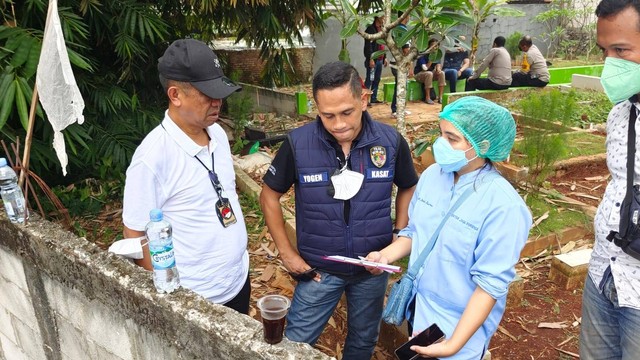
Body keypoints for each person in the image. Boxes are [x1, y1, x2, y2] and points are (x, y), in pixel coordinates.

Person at [260, 61, 418, 359]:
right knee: (295, 343)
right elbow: (269, 196)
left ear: (364, 99)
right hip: (319, 270)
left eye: (347, 112)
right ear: (316, 108)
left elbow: (408, 185)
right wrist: (287, 253)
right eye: (327, 115)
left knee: (363, 339)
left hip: (371, 268)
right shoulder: (298, 143)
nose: (338, 124)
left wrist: (399, 233)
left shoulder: (390, 142)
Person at [366, 96, 532, 359]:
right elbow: (415, 233)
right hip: (420, 310)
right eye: (441, 134)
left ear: (483, 145)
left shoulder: (503, 206)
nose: (441, 144)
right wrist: (384, 256)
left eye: (452, 139)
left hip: (460, 327)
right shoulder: (433, 176)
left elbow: (490, 285)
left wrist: (453, 344)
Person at [122, 39, 251, 314]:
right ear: (175, 95)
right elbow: (135, 234)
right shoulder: (152, 158)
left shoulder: (216, 133)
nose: (218, 102)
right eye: (208, 94)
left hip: (238, 281)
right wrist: (171, 301)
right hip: (197, 299)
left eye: (220, 92)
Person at [579, 0, 640, 358]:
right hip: (604, 272)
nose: (610, 64)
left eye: (621, 50)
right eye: (605, 51)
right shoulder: (620, 113)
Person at [390, 12, 412, 117]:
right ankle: (396, 109)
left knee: (401, 85)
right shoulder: (401, 29)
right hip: (399, 62)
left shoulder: (397, 28)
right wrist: (410, 60)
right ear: (406, 16)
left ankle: (400, 108)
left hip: (396, 61)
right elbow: (406, 49)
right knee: (401, 85)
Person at [364, 16, 388, 105]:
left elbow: (382, 45)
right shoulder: (371, 29)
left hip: (380, 59)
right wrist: (371, 59)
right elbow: (368, 46)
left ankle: (373, 98)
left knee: (376, 79)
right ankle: (364, 99)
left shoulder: (382, 29)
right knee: (370, 79)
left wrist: (385, 57)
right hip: (373, 60)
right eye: (382, 17)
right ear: (377, 17)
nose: (384, 18)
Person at [414, 38, 445, 104]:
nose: (434, 47)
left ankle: (440, 97)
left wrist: (438, 69)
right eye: (433, 46)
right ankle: (427, 98)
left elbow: (438, 64)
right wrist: (431, 59)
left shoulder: (437, 54)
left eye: (436, 46)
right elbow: (425, 68)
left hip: (430, 74)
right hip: (419, 74)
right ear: (429, 46)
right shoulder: (423, 54)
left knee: (442, 73)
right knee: (429, 73)